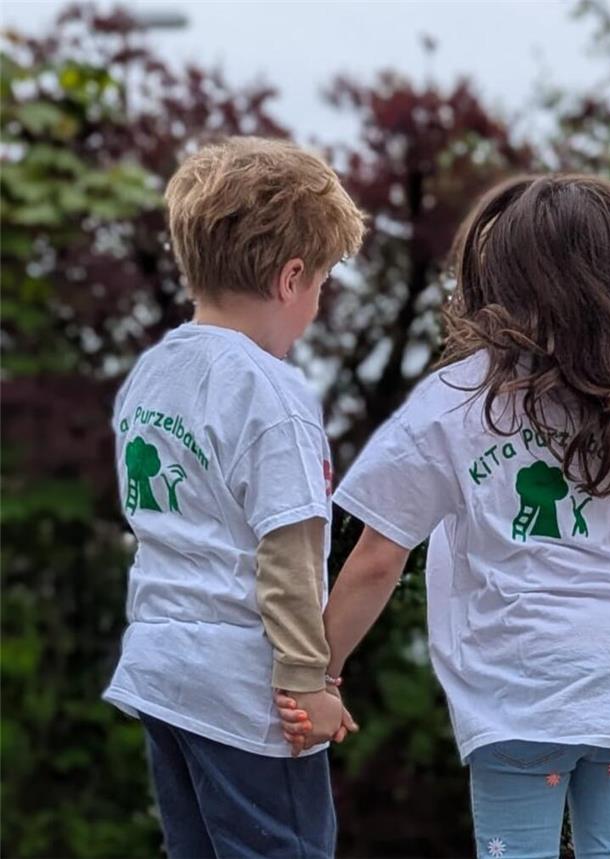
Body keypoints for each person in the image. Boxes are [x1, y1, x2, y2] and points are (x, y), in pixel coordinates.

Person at [279, 175, 610, 858]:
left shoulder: (451, 402)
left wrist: (320, 674)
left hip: (517, 694)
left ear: (493, 277)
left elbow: (380, 558)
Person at [104, 137, 364, 858]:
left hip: (163, 668)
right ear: (290, 279)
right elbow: (287, 553)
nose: (317, 299)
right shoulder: (270, 393)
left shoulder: (154, 374)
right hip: (245, 693)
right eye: (322, 281)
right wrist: (308, 683)